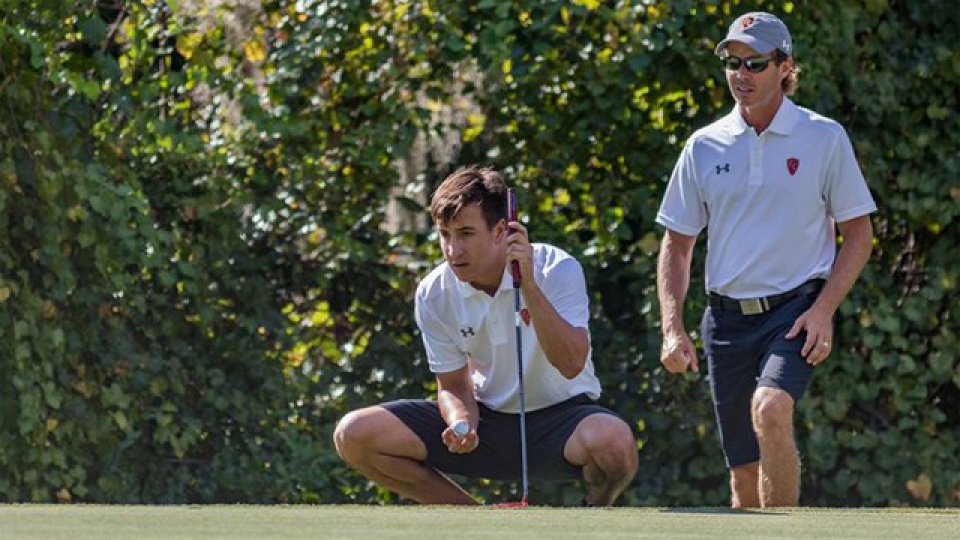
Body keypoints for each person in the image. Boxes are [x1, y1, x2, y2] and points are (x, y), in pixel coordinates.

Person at [655, 12, 876, 508]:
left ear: (785, 67)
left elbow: (859, 234)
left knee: (771, 408)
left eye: (755, 63)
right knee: (743, 478)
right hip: (725, 322)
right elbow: (678, 243)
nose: (741, 75)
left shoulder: (824, 138)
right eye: (732, 63)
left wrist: (823, 311)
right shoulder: (703, 146)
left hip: (794, 314)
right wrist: (673, 326)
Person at [334, 166, 638, 505]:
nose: (452, 250)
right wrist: (462, 422)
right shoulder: (433, 292)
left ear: (500, 231)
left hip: (562, 423)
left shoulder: (557, 268)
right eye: (445, 235)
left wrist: (530, 287)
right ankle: (476, 522)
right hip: (486, 425)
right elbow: (452, 385)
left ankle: (595, 513)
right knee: (354, 434)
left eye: (465, 233)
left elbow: (570, 364)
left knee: (614, 442)